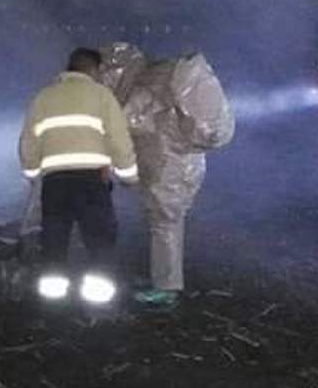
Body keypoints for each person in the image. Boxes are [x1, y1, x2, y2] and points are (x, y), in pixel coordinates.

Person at [99, 42, 234, 309]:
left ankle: (166, 288)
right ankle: (161, 279)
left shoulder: (143, 88)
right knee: (165, 223)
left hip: (168, 167)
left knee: (165, 224)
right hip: (180, 164)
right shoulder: (161, 76)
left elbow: (129, 123)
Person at [18, 47, 138, 305]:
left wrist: (32, 173)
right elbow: (119, 139)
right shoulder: (102, 96)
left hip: (55, 183)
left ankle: (52, 301)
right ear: (94, 69)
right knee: (99, 241)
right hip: (92, 182)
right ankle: (97, 301)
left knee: (54, 239)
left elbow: (28, 141)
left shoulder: (44, 97)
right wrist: (128, 175)